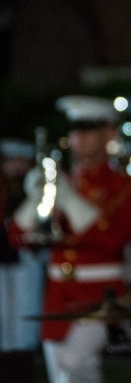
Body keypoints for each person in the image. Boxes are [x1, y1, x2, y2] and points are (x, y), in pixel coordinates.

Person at [8, 95, 131, 383]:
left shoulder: (126, 187)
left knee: (76, 367)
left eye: (88, 130)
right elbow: (17, 237)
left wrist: (68, 197)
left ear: (109, 134)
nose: (78, 138)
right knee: (61, 373)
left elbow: (112, 239)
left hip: (98, 293)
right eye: (74, 130)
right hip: (57, 294)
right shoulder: (64, 180)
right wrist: (36, 198)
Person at [0, 138, 47, 353]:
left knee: (25, 313)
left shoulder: (34, 189)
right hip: (3, 256)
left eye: (22, 161)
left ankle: (22, 354)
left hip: (26, 257)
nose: (16, 166)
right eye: (11, 160)